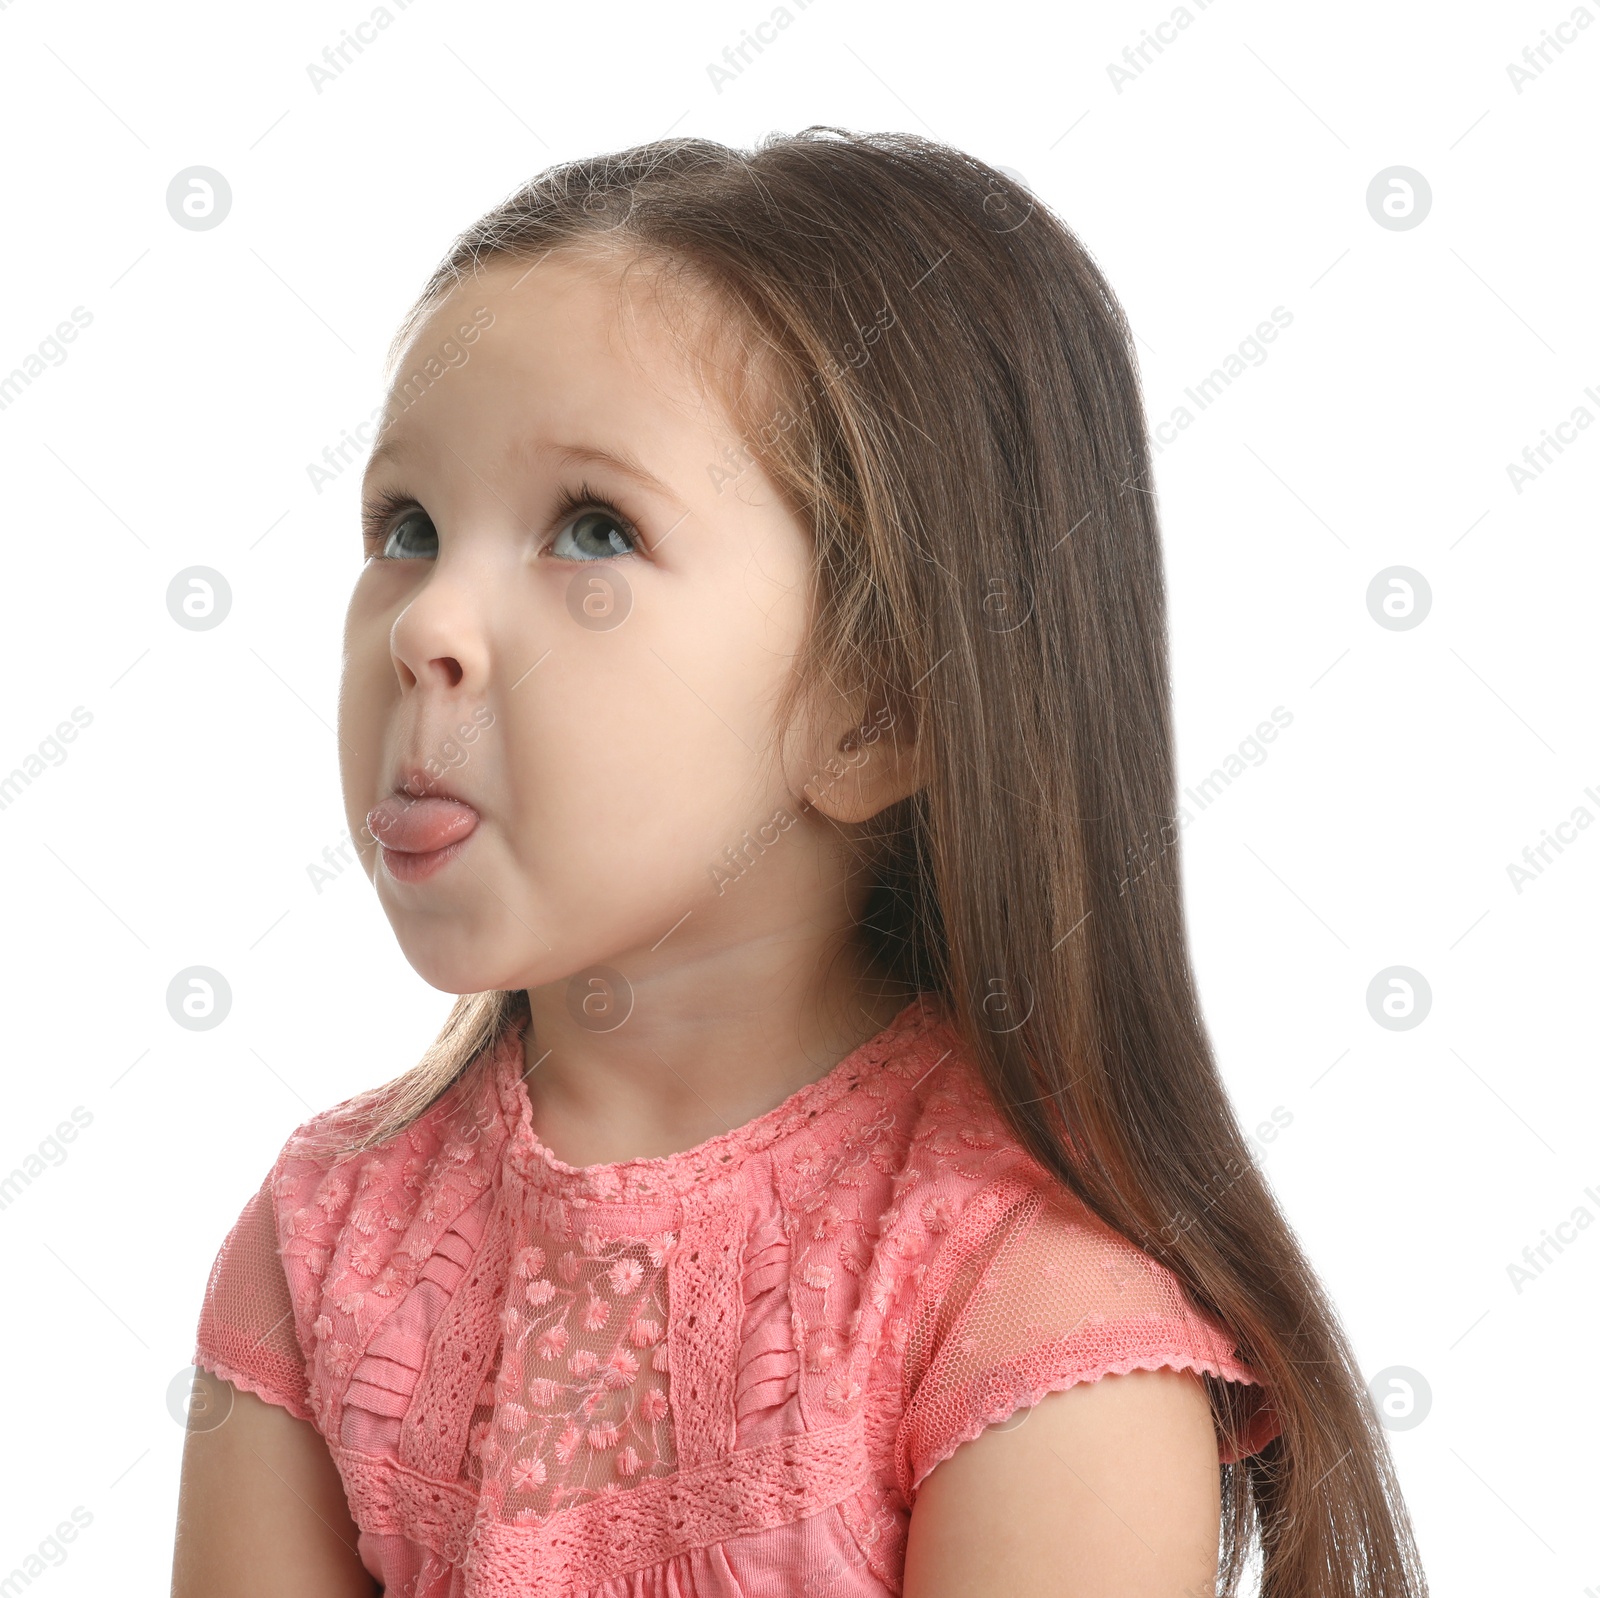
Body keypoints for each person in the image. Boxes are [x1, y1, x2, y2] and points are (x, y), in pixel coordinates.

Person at [171, 128, 1426, 1597]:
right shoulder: (325, 1249)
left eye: (593, 528)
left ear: (879, 704)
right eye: (407, 525)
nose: (423, 625)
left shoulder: (1020, 1317)